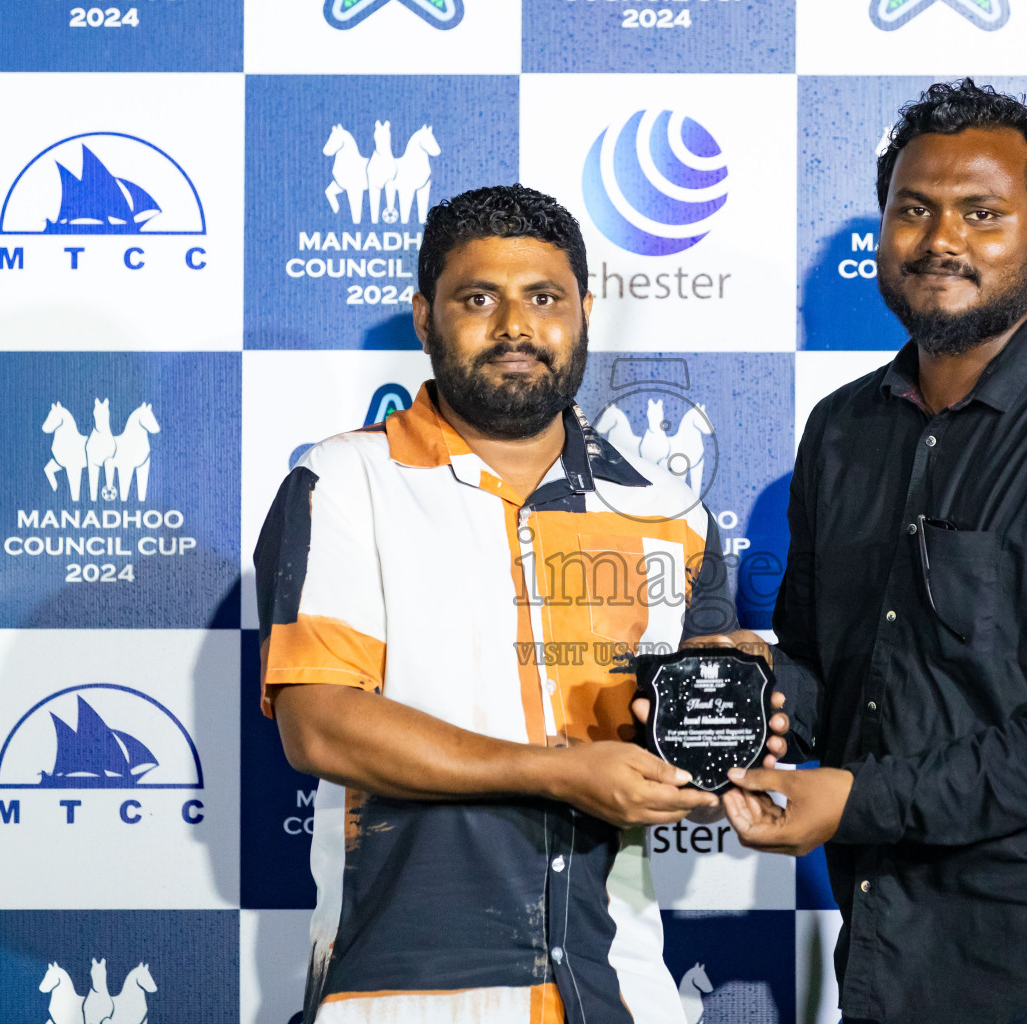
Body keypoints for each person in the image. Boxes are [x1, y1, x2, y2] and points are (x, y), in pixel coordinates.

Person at [710, 80, 1027, 1023]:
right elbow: (829, 678)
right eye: (914, 210)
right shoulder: (842, 429)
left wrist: (853, 800)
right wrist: (753, 688)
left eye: (983, 214)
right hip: (887, 959)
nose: (942, 240)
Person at [253, 184, 735, 1024]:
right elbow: (318, 723)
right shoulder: (344, 481)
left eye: (544, 298)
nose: (515, 325)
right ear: (424, 317)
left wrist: (740, 728)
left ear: (585, 312)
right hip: (401, 997)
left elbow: (703, 736)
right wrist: (555, 773)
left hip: (618, 990)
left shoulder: (671, 512)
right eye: (479, 298)